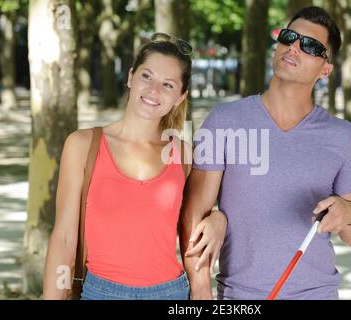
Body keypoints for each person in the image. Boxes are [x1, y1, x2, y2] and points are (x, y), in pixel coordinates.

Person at [181, 6, 351, 300]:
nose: (294, 47)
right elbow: (194, 212)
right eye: (288, 37)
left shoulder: (341, 135)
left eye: (310, 45)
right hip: (239, 297)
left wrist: (349, 214)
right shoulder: (223, 121)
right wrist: (200, 288)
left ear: (325, 69)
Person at [43, 33, 224, 300]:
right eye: (146, 76)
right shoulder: (83, 145)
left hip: (171, 293)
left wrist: (219, 219)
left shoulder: (183, 153)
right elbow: (64, 240)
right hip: (100, 292)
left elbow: (194, 220)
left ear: (180, 97)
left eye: (168, 85)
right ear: (130, 77)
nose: (153, 91)